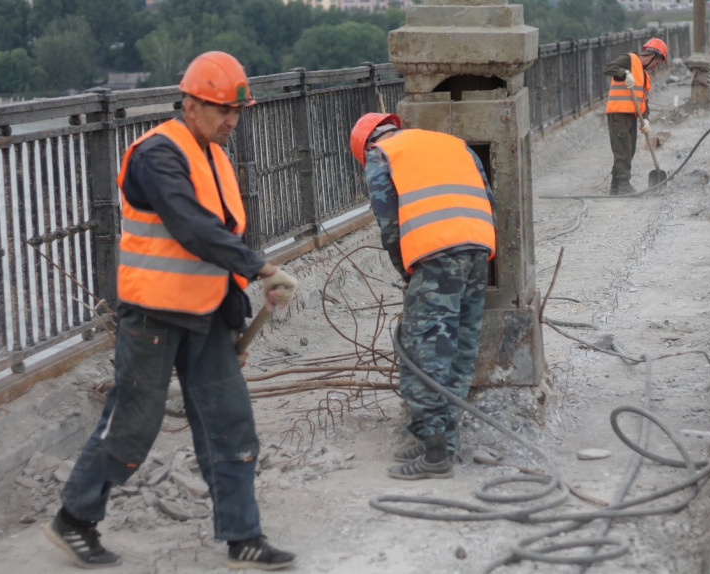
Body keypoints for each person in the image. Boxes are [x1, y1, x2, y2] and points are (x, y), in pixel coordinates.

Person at [44, 51, 298, 571]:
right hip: (152, 317)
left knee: (231, 425)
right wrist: (260, 267)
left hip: (205, 316)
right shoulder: (156, 155)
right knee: (132, 425)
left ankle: (242, 535)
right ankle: (74, 518)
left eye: (237, 111)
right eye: (223, 110)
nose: (232, 121)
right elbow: (190, 227)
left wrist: (236, 314)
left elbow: (218, 241)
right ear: (190, 104)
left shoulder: (216, 158)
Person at [349, 113, 497, 480]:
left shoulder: (381, 155)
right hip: (479, 248)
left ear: (367, 144)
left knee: (424, 349)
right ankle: (443, 442)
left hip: (435, 254)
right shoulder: (452, 144)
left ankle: (434, 455)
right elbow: (489, 196)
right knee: (462, 344)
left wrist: (407, 274)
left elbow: (389, 226)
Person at [601, 38, 668, 195]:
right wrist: (624, 73)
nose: (655, 67)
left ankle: (615, 186)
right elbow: (607, 67)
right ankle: (624, 185)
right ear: (651, 55)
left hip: (630, 116)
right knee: (623, 149)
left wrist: (645, 119)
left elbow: (643, 100)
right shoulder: (629, 59)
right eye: (656, 63)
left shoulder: (644, 75)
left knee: (628, 150)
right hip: (618, 113)